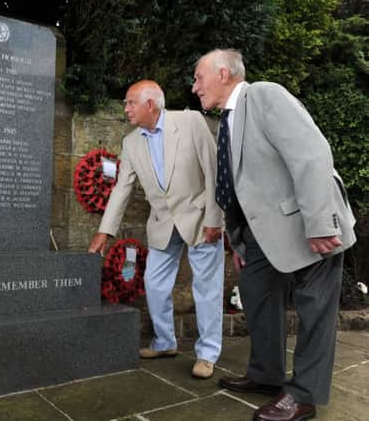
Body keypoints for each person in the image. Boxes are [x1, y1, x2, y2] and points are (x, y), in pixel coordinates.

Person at [192, 49, 356, 421]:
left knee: (315, 308)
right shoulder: (228, 122)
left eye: (198, 77)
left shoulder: (264, 95)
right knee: (255, 289)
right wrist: (240, 239)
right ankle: (266, 374)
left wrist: (319, 224)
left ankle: (303, 395)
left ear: (222, 73)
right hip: (264, 235)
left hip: (310, 224)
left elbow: (312, 153)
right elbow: (235, 187)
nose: (195, 86)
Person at [88, 80, 225, 379]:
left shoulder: (190, 122)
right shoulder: (131, 142)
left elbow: (214, 170)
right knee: (154, 283)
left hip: (202, 218)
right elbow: (121, 190)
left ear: (151, 103)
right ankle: (165, 342)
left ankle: (207, 353)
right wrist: (104, 232)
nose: (126, 109)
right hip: (163, 223)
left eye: (130, 102)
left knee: (207, 288)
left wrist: (216, 218)